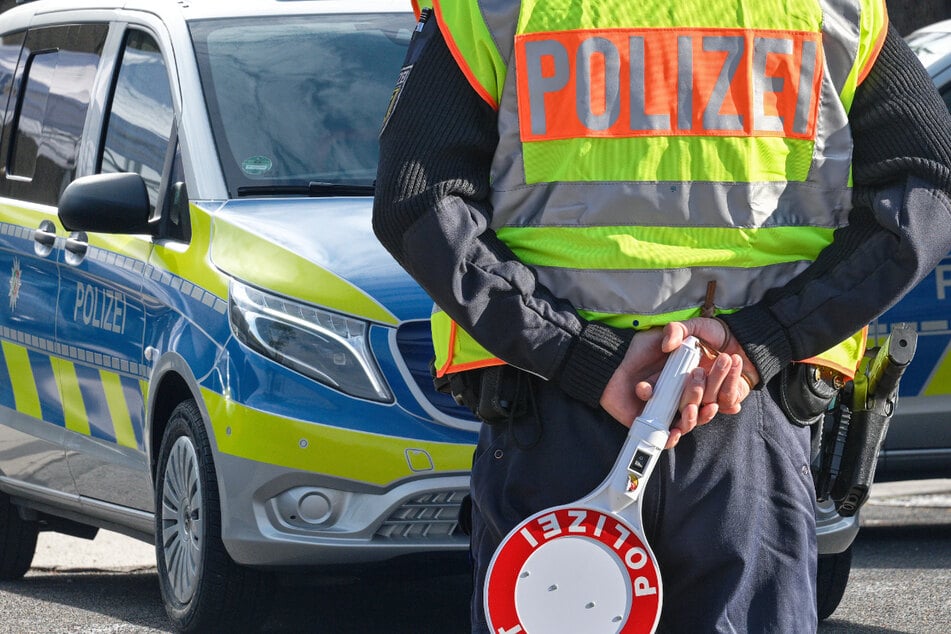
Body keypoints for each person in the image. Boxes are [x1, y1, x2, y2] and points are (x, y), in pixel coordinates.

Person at [372, 0, 951, 631]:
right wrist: (761, 340)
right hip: (744, 416)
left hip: (551, 414)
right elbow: (925, 189)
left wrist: (577, 353)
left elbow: (419, 201)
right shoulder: (827, 8)